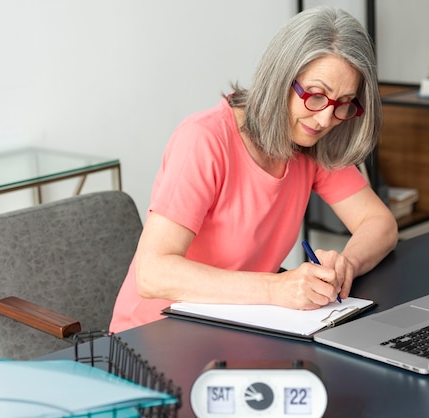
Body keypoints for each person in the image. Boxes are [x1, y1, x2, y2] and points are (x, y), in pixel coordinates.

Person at [109, 6, 398, 333]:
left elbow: (379, 223)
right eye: (316, 96)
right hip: (154, 335)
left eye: (344, 103)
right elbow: (151, 273)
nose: (325, 119)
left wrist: (348, 263)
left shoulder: (311, 142)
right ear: (279, 79)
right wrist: (276, 288)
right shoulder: (204, 140)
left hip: (240, 325)